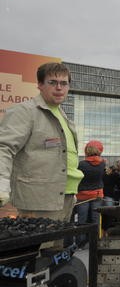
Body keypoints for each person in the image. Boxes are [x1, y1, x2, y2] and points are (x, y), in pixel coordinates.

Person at [0, 63, 84, 243]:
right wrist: (1, 182)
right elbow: (4, 147)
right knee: (37, 257)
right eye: (52, 82)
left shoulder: (63, 116)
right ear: (39, 84)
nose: (59, 88)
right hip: (38, 200)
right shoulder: (25, 112)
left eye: (64, 83)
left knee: (55, 256)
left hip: (65, 197)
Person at [75, 140, 106, 248]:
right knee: (96, 219)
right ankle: (95, 242)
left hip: (83, 195)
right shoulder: (103, 163)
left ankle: (80, 243)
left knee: (82, 220)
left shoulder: (82, 164)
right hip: (97, 194)